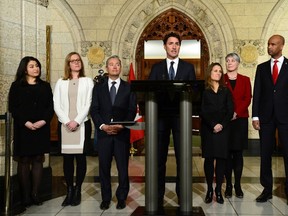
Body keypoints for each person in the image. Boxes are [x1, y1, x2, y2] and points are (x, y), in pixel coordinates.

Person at [148, 32, 196, 206]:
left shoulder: (188, 68)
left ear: (179, 46)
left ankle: (182, 195)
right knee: (159, 159)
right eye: (170, 43)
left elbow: (194, 93)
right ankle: (158, 195)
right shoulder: (156, 68)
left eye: (177, 43)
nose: (174, 46)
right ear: (164, 46)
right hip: (160, 117)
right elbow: (149, 91)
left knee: (182, 159)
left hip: (180, 118)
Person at [90, 55, 137, 210]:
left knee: (123, 168)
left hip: (121, 134)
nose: (115, 67)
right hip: (103, 134)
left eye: (117, 64)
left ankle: (122, 197)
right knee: (104, 167)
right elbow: (94, 110)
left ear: (120, 67)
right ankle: (106, 198)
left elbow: (131, 110)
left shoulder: (128, 87)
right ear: (107, 67)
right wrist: (102, 126)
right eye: (111, 64)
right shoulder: (98, 87)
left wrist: (122, 126)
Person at [8, 56, 54, 207]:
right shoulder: (16, 86)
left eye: (37, 66)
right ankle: (25, 195)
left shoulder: (45, 86)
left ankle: (35, 194)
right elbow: (13, 107)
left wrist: (42, 121)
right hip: (24, 128)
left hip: (41, 128)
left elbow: (50, 107)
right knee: (24, 160)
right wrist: (26, 122)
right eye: (32, 66)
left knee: (37, 160)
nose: (36, 68)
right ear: (25, 69)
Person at [53, 52, 94, 206]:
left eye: (78, 60)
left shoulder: (88, 81)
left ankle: (78, 190)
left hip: (82, 124)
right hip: (65, 125)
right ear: (68, 64)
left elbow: (89, 103)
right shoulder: (61, 82)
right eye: (73, 61)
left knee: (81, 159)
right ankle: (69, 190)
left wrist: (76, 121)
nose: (76, 63)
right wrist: (66, 121)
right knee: (67, 159)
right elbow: (56, 103)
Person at [252, 34, 288, 203]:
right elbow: (257, 93)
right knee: (265, 154)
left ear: (281, 46)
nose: (269, 47)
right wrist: (255, 115)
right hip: (265, 117)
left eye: (273, 45)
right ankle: (266, 189)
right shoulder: (262, 68)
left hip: (285, 117)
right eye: (268, 44)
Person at [200, 62, 233, 204]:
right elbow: (202, 110)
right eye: (215, 70)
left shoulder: (226, 91)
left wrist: (221, 125)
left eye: (220, 71)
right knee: (208, 160)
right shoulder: (204, 90)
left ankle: (218, 190)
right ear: (210, 72)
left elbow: (230, 111)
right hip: (208, 129)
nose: (218, 73)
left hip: (223, 130)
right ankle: (209, 190)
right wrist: (213, 124)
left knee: (221, 160)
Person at [223, 53, 252, 198]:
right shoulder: (221, 79)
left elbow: (247, 98)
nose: (229, 63)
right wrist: (229, 113)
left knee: (238, 154)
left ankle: (238, 185)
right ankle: (228, 185)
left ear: (238, 63)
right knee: (227, 154)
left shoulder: (245, 80)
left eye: (232, 60)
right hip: (226, 121)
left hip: (240, 120)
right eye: (227, 61)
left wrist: (236, 112)